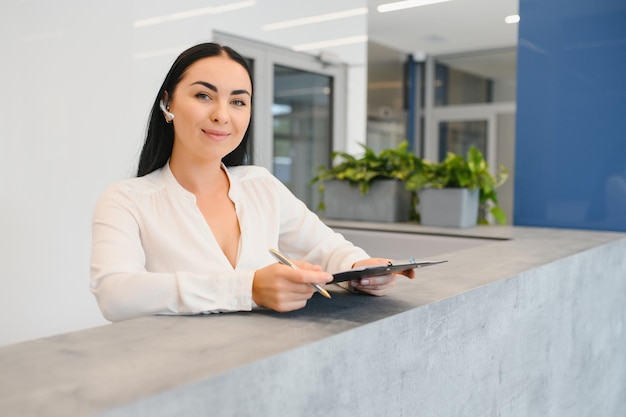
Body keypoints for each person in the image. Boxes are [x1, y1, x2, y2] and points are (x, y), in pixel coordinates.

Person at [90, 42, 414, 322]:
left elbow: (326, 248)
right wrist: (249, 288)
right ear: (168, 103)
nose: (222, 115)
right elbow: (115, 293)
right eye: (204, 95)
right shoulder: (127, 200)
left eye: (238, 101)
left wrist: (361, 271)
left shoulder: (260, 185)